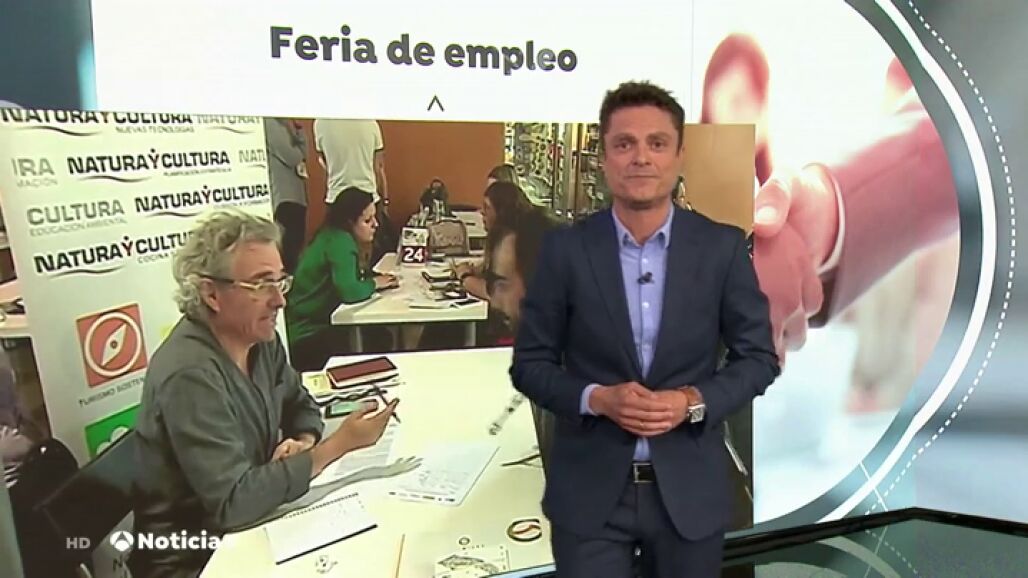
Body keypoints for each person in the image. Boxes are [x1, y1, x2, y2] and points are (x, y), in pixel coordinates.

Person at [510, 81, 779, 577]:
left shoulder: (720, 250)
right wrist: (596, 398)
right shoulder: (565, 250)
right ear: (603, 158)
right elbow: (530, 366)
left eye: (657, 143)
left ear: (678, 156)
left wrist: (691, 401)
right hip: (591, 497)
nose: (641, 157)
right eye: (624, 144)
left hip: (689, 494)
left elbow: (759, 359)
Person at [130, 209, 398, 578]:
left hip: (251, 529)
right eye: (260, 284)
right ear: (211, 293)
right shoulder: (189, 375)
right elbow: (232, 503)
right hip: (196, 560)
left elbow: (299, 402)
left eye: (279, 281)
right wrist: (336, 446)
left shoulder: (259, 339)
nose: (279, 301)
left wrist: (304, 441)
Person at [286, 188, 398, 371]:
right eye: (367, 220)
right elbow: (349, 291)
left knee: (378, 334)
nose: (376, 224)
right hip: (307, 334)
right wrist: (375, 283)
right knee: (378, 338)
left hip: (305, 327)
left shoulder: (329, 235)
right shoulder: (340, 242)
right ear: (349, 222)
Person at [313, 118, 394, 261]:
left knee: (338, 255)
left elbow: (324, 164)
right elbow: (378, 167)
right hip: (368, 198)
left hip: (336, 197)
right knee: (368, 257)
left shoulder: (320, 123)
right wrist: (385, 201)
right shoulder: (370, 122)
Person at [453, 181, 534, 301]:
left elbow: (494, 293)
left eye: (487, 207)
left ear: (501, 212)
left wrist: (465, 277)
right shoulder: (520, 232)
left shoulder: (513, 242)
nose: (482, 212)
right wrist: (478, 269)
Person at [263, 118, 309, 273]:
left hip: (296, 196)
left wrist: (299, 132)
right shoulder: (270, 123)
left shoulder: (283, 124)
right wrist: (299, 139)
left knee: (296, 249)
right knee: (288, 253)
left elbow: (304, 154)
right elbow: (293, 157)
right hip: (284, 198)